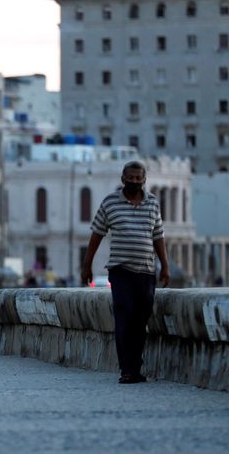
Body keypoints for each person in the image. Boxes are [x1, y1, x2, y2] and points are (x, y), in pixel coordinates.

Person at [81, 161, 170, 385]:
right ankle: (127, 369)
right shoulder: (110, 203)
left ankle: (136, 367)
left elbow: (158, 237)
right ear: (123, 179)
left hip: (146, 272)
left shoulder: (152, 204)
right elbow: (96, 234)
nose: (134, 181)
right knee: (124, 317)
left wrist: (165, 267)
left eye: (138, 178)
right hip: (120, 271)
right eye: (130, 177)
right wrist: (87, 265)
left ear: (144, 180)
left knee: (140, 321)